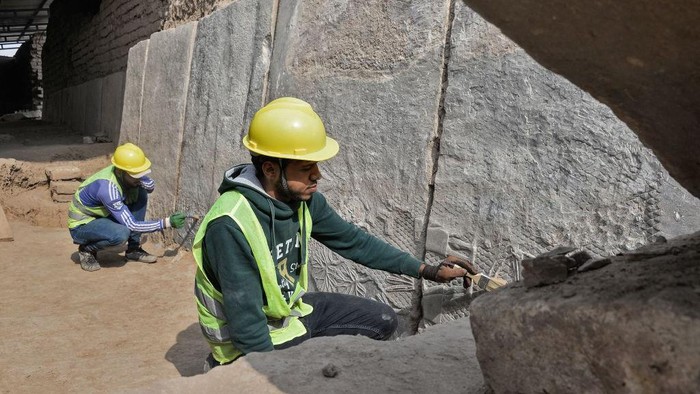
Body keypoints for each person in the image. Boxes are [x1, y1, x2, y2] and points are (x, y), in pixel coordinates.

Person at [193, 97, 470, 371]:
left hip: (289, 315)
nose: (318, 175)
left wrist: (428, 271)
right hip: (250, 338)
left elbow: (354, 242)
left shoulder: (303, 200)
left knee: (383, 320)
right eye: (306, 168)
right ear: (270, 169)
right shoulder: (230, 225)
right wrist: (275, 377)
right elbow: (247, 328)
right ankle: (222, 370)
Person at [68, 142, 187, 271]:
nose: (140, 177)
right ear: (120, 171)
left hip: (102, 217)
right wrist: (167, 222)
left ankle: (133, 250)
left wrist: (137, 183)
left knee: (140, 192)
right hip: (82, 226)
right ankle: (87, 249)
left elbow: (150, 186)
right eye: (135, 175)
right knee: (120, 234)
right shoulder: (107, 188)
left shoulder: (124, 174)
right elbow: (132, 225)